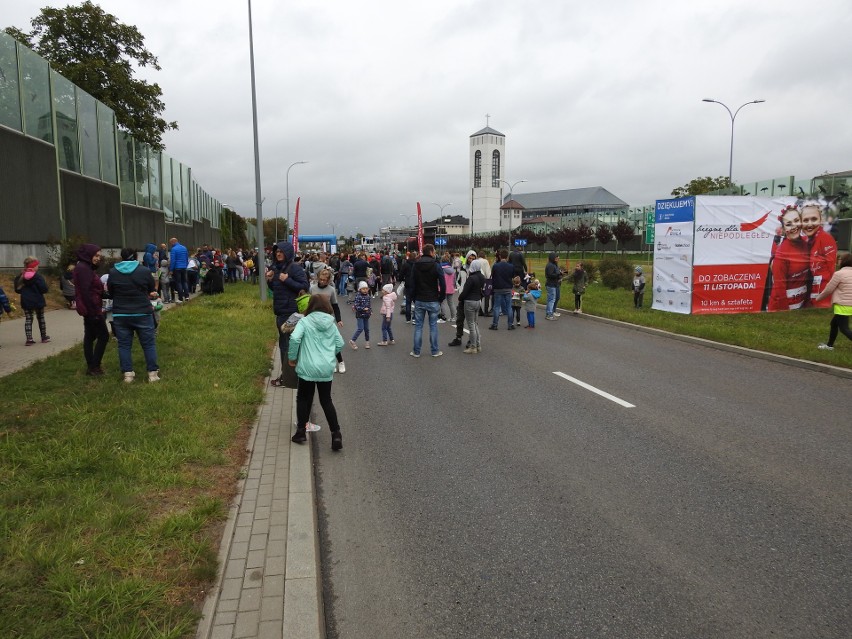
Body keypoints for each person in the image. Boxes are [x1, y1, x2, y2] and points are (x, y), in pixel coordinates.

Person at [288, 294, 345, 450]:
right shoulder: (331, 324)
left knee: (303, 398)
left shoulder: (305, 322)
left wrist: (292, 357)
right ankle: (336, 434)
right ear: (327, 306)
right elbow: (340, 343)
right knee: (326, 400)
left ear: (310, 306)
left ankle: (301, 431)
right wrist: (328, 355)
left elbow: (294, 338)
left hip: (307, 366)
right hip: (325, 368)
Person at [108, 247, 160, 383]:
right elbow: (151, 289)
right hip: (142, 311)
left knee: (124, 345)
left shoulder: (113, 272)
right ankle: (152, 374)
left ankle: (128, 374)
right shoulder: (144, 271)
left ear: (122, 257)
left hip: (121, 314)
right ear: (136, 257)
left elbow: (111, 292)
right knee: (148, 344)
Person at [267, 241, 309, 388]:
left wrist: (287, 280)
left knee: (289, 345)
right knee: (285, 344)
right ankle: (289, 376)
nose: (278, 254)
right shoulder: (276, 268)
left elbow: (304, 286)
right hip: (280, 311)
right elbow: (277, 288)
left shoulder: (295, 268)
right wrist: (270, 280)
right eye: (276, 251)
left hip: (291, 313)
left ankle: (289, 377)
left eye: (281, 251)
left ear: (288, 253)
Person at [73, 243, 109, 375]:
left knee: (90, 336)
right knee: (103, 336)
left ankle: (92, 366)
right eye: (96, 255)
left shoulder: (86, 267)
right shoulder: (83, 269)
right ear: (88, 254)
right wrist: (93, 312)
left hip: (91, 307)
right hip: (92, 309)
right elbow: (85, 292)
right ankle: (95, 366)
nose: (98, 258)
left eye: (99, 255)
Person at [768, 205, 810, 311]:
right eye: (788, 224)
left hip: (801, 303)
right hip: (783, 307)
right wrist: (785, 313)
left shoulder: (807, 244)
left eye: (796, 221)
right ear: (783, 229)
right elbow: (779, 288)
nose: (794, 226)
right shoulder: (782, 253)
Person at [408, 243, 446, 358]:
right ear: (431, 252)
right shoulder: (436, 265)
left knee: (418, 326)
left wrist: (413, 297)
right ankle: (434, 351)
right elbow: (442, 283)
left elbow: (412, 283)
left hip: (419, 298)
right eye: (434, 251)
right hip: (433, 298)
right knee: (433, 325)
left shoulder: (416, 265)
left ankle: (416, 351)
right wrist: (441, 297)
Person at [800, 201, 837, 308]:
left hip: (823, 297)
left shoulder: (826, 239)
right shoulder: (807, 240)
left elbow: (831, 271)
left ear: (821, 220)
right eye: (805, 220)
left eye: (814, 219)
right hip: (811, 295)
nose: (810, 224)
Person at [309, 267, 347, 373]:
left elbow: (335, 305)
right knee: (319, 342)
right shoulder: (312, 288)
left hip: (327, 319)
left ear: (329, 280)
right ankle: (330, 363)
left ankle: (340, 362)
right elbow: (309, 304)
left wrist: (339, 319)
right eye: (320, 279)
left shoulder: (331, 290)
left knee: (332, 341)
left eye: (324, 280)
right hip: (315, 318)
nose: (322, 282)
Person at [815, 253, 852, 350]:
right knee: (834, 324)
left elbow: (829, 289)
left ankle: (829, 345)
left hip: (843, 304)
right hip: (849, 304)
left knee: (844, 329)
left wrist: (818, 298)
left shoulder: (839, 274)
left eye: (840, 259)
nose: (838, 261)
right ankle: (829, 345)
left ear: (843, 261)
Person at [14, 257, 50, 346]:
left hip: (26, 301)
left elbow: (17, 290)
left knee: (28, 319)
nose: (38, 267)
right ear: (33, 267)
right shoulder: (38, 277)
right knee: (41, 318)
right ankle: (43, 337)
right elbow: (44, 289)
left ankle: (29, 339)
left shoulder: (20, 276)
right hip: (38, 300)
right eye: (37, 265)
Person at [449, 250, 478, 347]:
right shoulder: (462, 269)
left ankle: (471, 340)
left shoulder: (477, 270)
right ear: (467, 258)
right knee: (460, 318)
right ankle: (458, 337)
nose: (471, 260)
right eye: (470, 258)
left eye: (473, 258)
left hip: (472, 298)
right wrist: (460, 289)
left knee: (472, 322)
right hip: (463, 297)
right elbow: (458, 280)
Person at [458, 257, 484, 354]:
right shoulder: (481, 277)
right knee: (475, 323)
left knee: (471, 325)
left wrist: (460, 298)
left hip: (470, 301)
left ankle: (473, 347)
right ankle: (478, 344)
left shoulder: (471, 278)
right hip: (478, 301)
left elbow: (465, 292)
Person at [490, 249, 515, 330]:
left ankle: (495, 324)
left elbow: (492, 276)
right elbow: (512, 276)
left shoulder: (496, 266)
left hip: (498, 288)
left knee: (496, 307)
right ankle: (510, 324)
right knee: (509, 307)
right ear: (507, 257)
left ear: (500, 256)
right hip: (507, 287)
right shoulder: (511, 266)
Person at [350, 281, 372, 349]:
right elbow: (356, 306)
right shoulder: (358, 296)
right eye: (363, 289)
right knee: (360, 328)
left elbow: (369, 305)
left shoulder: (368, 296)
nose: (365, 290)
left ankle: (367, 342)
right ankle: (352, 340)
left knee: (367, 329)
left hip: (366, 315)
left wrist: (370, 311)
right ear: (360, 289)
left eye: (366, 289)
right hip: (360, 315)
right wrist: (363, 308)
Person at [168, 237, 190, 303]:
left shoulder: (173, 249)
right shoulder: (184, 248)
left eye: (170, 243)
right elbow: (186, 258)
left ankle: (180, 298)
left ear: (173, 242)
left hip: (177, 268)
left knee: (178, 282)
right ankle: (187, 296)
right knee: (184, 282)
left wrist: (171, 270)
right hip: (184, 267)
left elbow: (173, 260)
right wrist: (185, 265)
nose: (170, 244)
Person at [544, 252, 563, 320]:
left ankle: (550, 312)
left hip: (555, 284)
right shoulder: (550, 265)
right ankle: (549, 314)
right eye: (556, 257)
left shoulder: (554, 265)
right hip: (551, 284)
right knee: (551, 300)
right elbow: (550, 275)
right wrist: (558, 274)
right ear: (553, 258)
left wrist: (560, 273)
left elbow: (555, 273)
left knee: (553, 298)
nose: (558, 258)